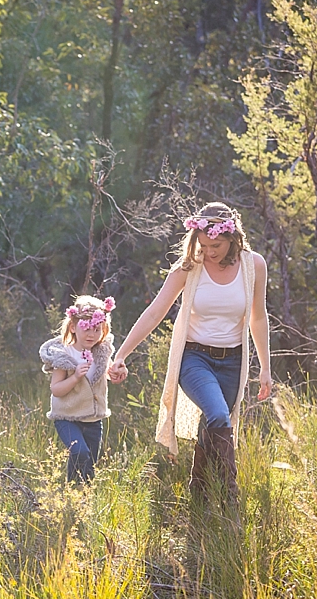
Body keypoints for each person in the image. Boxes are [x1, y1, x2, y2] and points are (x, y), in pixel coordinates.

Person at [107, 203, 271, 504]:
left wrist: (265, 368)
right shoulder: (188, 268)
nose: (210, 252)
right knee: (219, 415)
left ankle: (199, 496)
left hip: (234, 360)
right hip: (195, 359)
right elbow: (156, 311)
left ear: (232, 238)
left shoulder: (254, 265)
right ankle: (230, 498)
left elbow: (257, 317)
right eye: (204, 245)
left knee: (211, 425)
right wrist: (121, 354)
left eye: (216, 245)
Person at [39, 295, 117, 483]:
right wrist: (75, 377)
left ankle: (83, 498)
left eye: (97, 329)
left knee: (90, 464)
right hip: (67, 418)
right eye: (86, 329)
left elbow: (109, 373)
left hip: (93, 418)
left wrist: (117, 373)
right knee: (79, 451)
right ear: (73, 327)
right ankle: (71, 489)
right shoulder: (64, 355)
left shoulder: (101, 353)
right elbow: (56, 389)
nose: (91, 334)